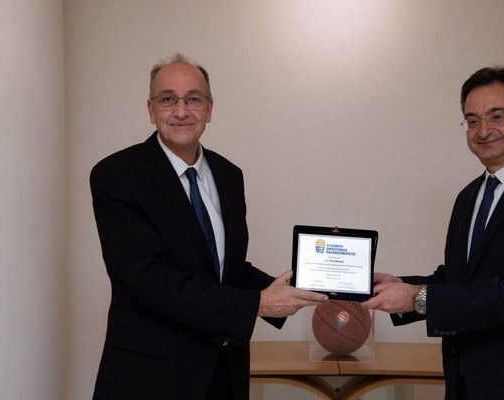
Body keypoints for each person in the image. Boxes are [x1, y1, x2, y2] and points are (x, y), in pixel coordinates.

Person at [90, 53, 327, 400]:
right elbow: (150, 279)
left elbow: (225, 269)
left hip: (223, 372)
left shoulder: (229, 175)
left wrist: (305, 287)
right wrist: (257, 304)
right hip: (150, 378)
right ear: (151, 109)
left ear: (209, 109)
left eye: (193, 99)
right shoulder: (117, 176)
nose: (181, 111)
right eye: (168, 99)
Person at [363, 66, 504, 400]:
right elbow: (462, 278)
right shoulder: (468, 196)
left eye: (496, 116)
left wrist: (417, 298)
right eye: (472, 121)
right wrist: (401, 285)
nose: (483, 130)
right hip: (467, 378)